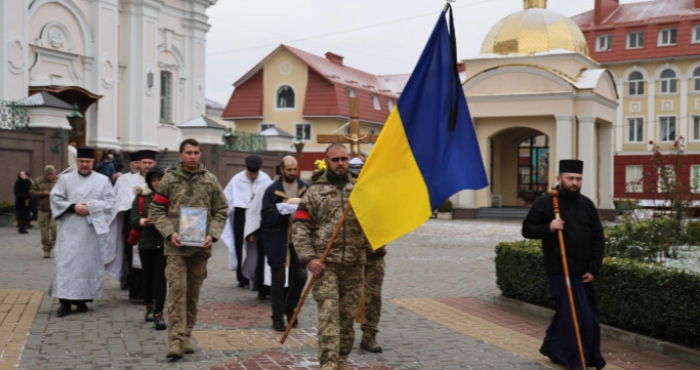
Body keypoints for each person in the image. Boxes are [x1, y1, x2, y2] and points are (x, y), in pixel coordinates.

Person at [521, 159, 606, 370]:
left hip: (584, 273)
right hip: (561, 272)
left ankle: (553, 346)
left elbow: (598, 237)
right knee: (575, 319)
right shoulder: (546, 202)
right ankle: (577, 360)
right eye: (570, 178)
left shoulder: (586, 204)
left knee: (587, 318)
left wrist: (593, 269)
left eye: (578, 179)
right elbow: (527, 230)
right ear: (560, 179)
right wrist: (549, 227)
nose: (574, 183)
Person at [150, 138, 228, 359]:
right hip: (176, 247)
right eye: (189, 152)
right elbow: (156, 208)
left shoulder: (211, 180)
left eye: (196, 152)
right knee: (177, 293)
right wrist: (169, 232)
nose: (193, 156)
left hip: (200, 249)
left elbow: (221, 209)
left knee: (192, 295)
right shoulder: (169, 179)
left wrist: (212, 234)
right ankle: (174, 341)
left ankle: (186, 336)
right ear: (180, 155)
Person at [292, 143, 368, 370]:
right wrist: (309, 259)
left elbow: (375, 222)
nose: (340, 163)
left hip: (354, 265)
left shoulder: (360, 190)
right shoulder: (314, 192)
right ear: (327, 162)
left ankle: (341, 361)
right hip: (325, 267)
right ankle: (328, 364)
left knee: (346, 321)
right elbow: (300, 227)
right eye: (335, 160)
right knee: (328, 318)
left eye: (344, 159)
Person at [48, 146, 115, 317]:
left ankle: (82, 300)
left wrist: (90, 207)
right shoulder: (65, 179)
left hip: (90, 232)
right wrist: (73, 207)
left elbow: (110, 202)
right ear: (76, 162)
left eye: (88, 161)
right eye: (81, 161)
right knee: (66, 264)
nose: (84, 164)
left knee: (86, 266)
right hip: (69, 229)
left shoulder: (102, 180)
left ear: (94, 162)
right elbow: (55, 198)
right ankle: (64, 303)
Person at [260, 156, 309, 331]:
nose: (292, 173)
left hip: (298, 239)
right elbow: (266, 217)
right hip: (278, 239)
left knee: (301, 275)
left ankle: (290, 308)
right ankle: (277, 318)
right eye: (289, 170)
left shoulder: (305, 188)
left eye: (295, 169)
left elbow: (312, 211)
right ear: (282, 170)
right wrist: (284, 209)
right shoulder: (272, 190)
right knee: (279, 279)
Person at [221, 155, 271, 292]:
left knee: (258, 247)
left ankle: (257, 276)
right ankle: (242, 277)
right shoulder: (237, 179)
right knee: (240, 246)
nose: (253, 176)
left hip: (258, 216)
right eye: (251, 173)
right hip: (241, 215)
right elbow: (226, 199)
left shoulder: (266, 179)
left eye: (255, 173)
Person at [131, 165, 167, 330]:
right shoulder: (141, 197)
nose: (157, 183)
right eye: (153, 180)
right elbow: (132, 219)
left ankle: (159, 313)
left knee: (161, 279)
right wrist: (141, 221)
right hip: (146, 243)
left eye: (159, 179)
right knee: (148, 277)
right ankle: (149, 306)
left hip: (165, 243)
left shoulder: (170, 196)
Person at [106, 151, 146, 294]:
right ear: (131, 165)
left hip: (149, 223)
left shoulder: (154, 178)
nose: (138, 165)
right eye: (135, 163)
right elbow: (118, 200)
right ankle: (127, 279)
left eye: (140, 162)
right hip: (129, 222)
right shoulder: (124, 180)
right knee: (129, 254)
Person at [30, 166, 58, 258]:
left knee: (55, 228)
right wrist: (42, 193)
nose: (50, 176)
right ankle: (46, 249)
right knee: (44, 229)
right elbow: (32, 192)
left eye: (51, 174)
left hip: (56, 209)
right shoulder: (38, 180)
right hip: (42, 208)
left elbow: (66, 192)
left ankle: (54, 246)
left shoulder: (60, 181)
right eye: (48, 174)